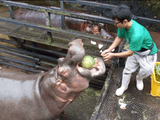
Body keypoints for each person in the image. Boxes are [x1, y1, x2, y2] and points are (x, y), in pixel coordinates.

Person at [101, 4, 157, 96]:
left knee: (147, 71)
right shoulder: (123, 26)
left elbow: (129, 53)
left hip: (147, 53)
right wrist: (109, 49)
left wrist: (113, 55)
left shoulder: (137, 34)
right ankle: (124, 86)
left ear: (125, 21)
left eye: (115, 23)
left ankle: (139, 78)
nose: (115, 25)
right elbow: (119, 37)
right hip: (134, 50)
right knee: (127, 70)